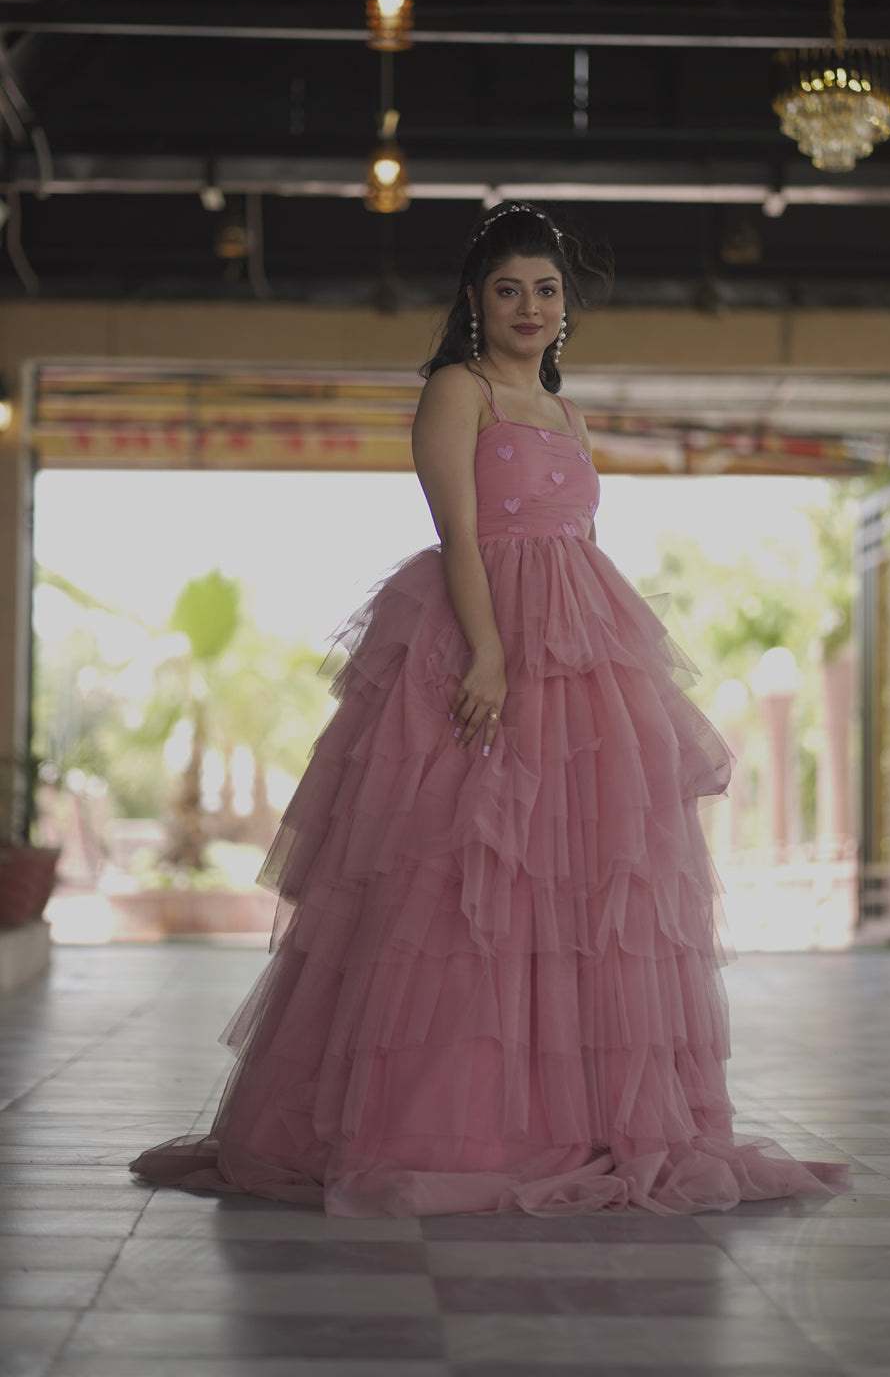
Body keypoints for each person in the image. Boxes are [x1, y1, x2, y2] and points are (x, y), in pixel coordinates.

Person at [130, 201, 849, 1216]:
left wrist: (568, 654)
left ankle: (575, 1121)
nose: (528, 306)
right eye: (508, 289)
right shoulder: (455, 390)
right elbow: (459, 536)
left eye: (545, 290)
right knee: (458, 882)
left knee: (578, 890)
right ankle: (449, 1122)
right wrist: (491, 656)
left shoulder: (566, 412)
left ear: (566, 306)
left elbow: (576, 537)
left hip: (581, 649)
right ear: (476, 299)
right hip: (475, 637)